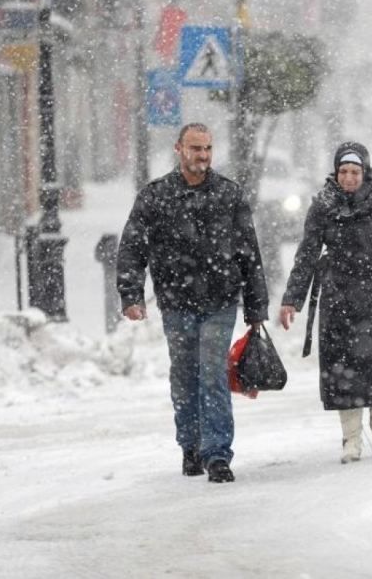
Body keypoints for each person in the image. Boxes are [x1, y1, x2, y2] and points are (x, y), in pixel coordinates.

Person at [116, 122, 269, 483]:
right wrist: (131, 294)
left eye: (208, 149)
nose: (202, 155)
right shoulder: (156, 197)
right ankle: (191, 445)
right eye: (195, 148)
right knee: (184, 375)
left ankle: (217, 454)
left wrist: (255, 306)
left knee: (213, 373)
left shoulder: (229, 195)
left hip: (220, 300)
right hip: (176, 301)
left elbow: (249, 252)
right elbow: (132, 247)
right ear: (179, 149)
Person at [278, 142, 372, 464]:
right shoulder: (323, 205)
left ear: (366, 172)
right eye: (343, 172)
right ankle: (351, 438)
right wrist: (292, 299)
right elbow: (306, 254)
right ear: (335, 173)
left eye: (354, 172)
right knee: (343, 370)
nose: (348, 178)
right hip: (341, 299)